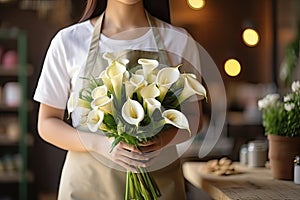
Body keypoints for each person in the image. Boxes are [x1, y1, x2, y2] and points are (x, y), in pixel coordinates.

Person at [33, 0, 203, 199]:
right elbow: (47, 123)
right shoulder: (68, 41)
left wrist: (161, 139)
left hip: (158, 188)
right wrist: (100, 144)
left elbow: (195, 117)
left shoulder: (179, 40)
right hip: (87, 186)